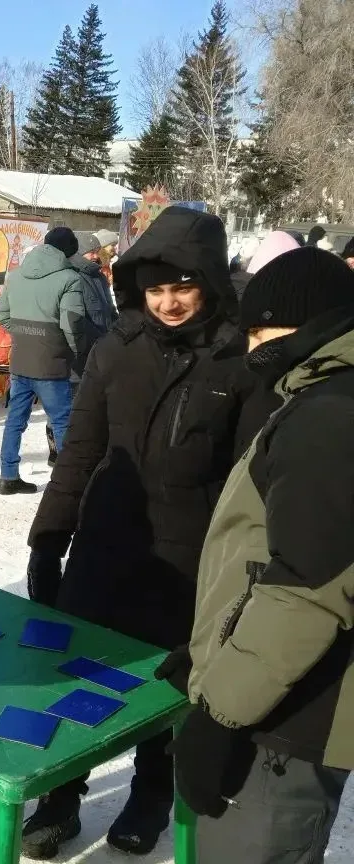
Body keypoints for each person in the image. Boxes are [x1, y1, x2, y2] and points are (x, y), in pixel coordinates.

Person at [22, 206, 261, 858]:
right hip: (106, 544)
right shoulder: (115, 349)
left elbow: (251, 480)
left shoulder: (239, 360)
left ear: (209, 280)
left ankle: (151, 795)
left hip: (189, 560)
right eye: (155, 289)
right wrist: (49, 536)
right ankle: (60, 796)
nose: (168, 302)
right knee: (76, 674)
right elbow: (81, 450)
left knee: (166, 683)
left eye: (183, 286)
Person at [170, 247, 354, 863]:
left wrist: (222, 714)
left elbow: (305, 589)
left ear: (306, 323)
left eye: (259, 330)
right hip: (280, 689)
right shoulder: (321, 397)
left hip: (288, 720)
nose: (251, 348)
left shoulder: (331, 415)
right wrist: (210, 650)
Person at [0, 226, 85, 494]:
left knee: (15, 421)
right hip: (52, 364)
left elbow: (2, 314)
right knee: (62, 422)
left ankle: (8, 476)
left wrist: (25, 334)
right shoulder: (70, 278)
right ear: (69, 251)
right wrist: (77, 352)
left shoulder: (16, 275)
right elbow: (72, 324)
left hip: (21, 360)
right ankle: (68, 483)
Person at [45, 231, 116, 465]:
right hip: (76, 355)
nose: (95, 255)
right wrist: (99, 341)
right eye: (90, 251)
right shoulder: (70, 277)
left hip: (100, 353)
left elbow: (109, 311)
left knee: (92, 407)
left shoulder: (99, 277)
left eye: (97, 251)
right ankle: (58, 453)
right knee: (68, 407)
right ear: (78, 253)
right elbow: (75, 319)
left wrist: (118, 333)